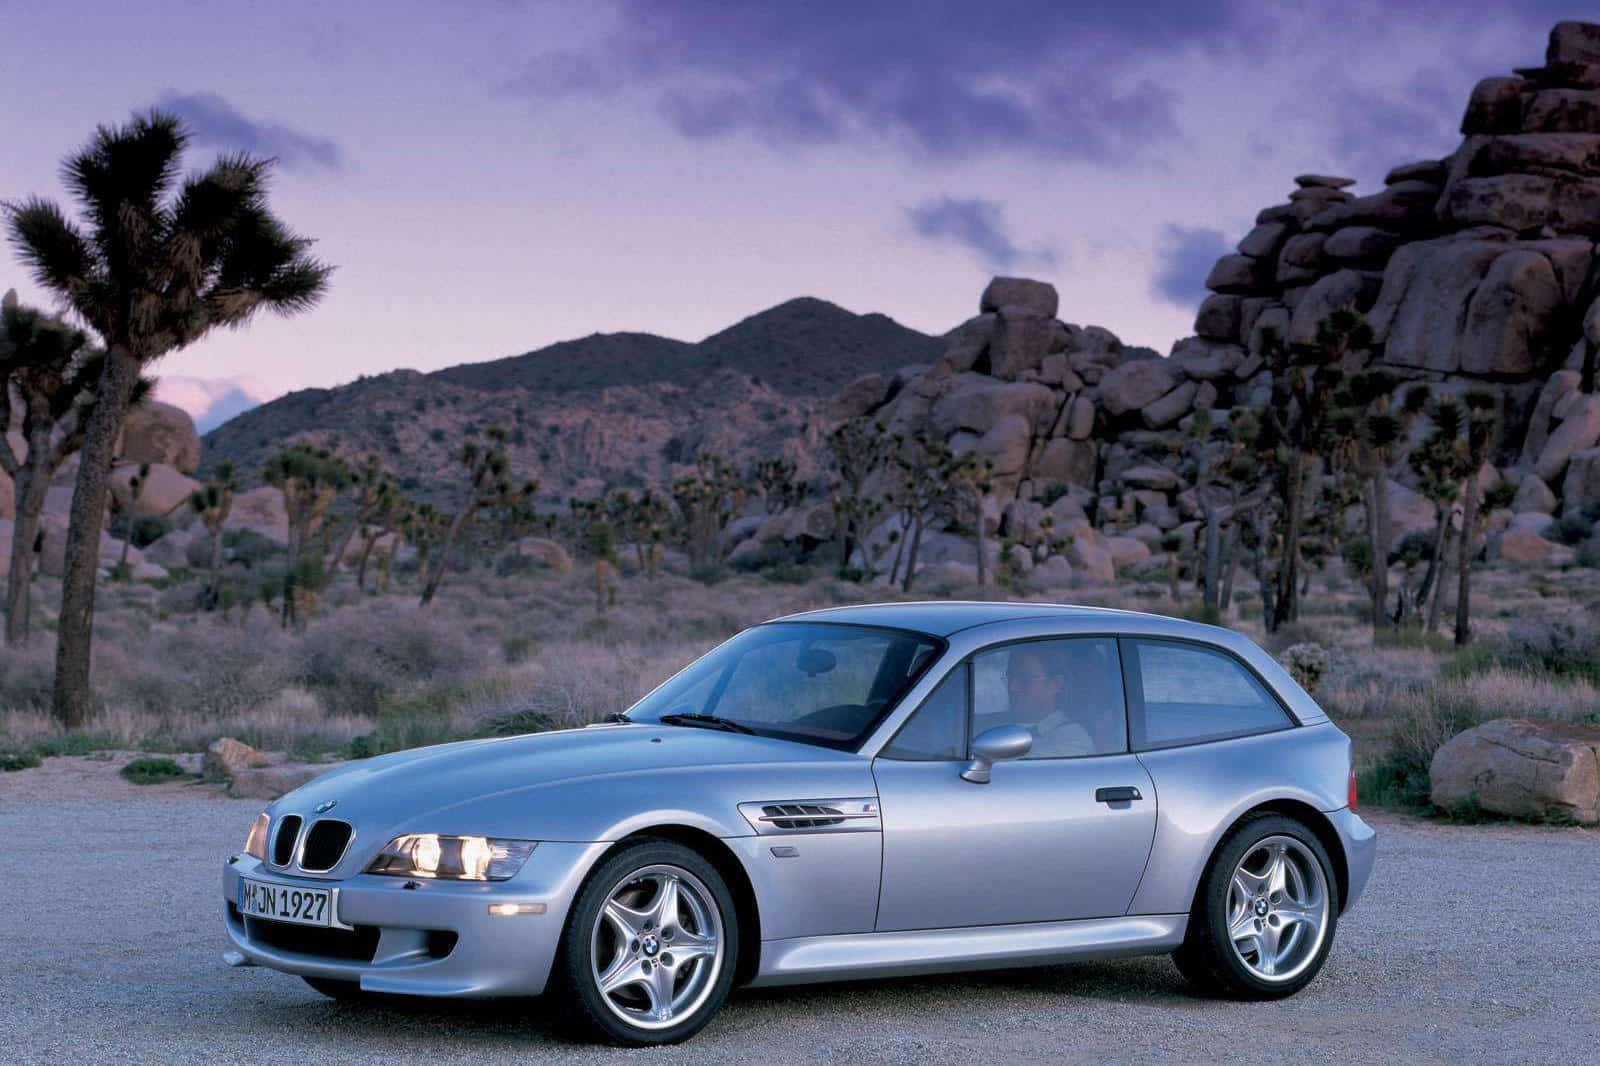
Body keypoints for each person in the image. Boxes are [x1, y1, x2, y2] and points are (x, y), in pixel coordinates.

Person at [1001, 643, 1097, 756]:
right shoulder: (999, 726)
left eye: (1024, 678)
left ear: (1056, 684)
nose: (1012, 687)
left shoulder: (1072, 740)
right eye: (1010, 677)